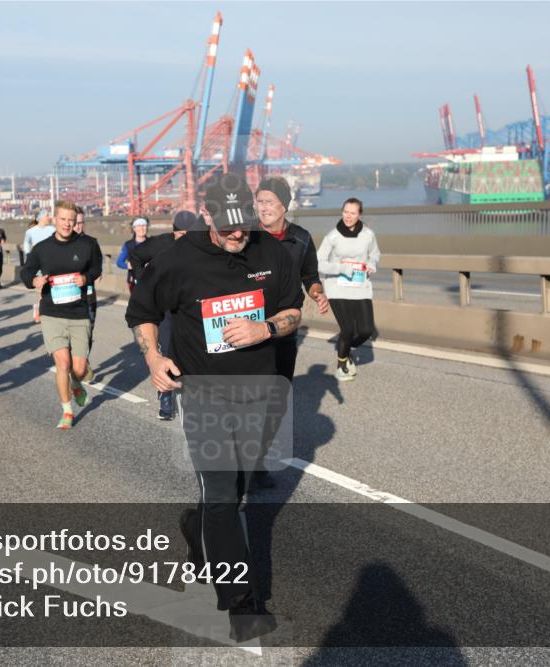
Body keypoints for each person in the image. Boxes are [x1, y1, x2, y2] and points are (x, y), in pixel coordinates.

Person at [125, 173, 302, 642]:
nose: (237, 233)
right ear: (207, 217)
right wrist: (153, 355)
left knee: (238, 491)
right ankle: (242, 605)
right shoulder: (177, 260)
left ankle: (194, 524)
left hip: (259, 392)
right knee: (223, 496)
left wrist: (266, 329)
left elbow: (293, 310)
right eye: (226, 226)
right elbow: (141, 312)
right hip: (202, 393)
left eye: (242, 222)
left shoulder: (271, 253)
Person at [251, 176, 330, 489]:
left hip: (283, 330)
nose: (264, 208)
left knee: (277, 401)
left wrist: (317, 293)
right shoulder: (248, 236)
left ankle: (256, 460)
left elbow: (310, 275)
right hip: (249, 329)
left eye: (270, 202)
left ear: (285, 205)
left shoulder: (301, 239)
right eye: (260, 202)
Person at [19, 200, 102, 429]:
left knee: (79, 368)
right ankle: (67, 411)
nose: (67, 224)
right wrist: (33, 280)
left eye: (71, 221)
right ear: (54, 219)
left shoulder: (88, 244)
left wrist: (86, 278)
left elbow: (97, 268)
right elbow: (25, 272)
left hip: (78, 312)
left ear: (76, 222)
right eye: (63, 219)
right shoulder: (42, 249)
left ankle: (76, 384)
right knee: (62, 364)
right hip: (52, 313)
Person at [128, 210, 197, 420]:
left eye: (190, 235)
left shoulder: (202, 245)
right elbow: (136, 256)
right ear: (174, 233)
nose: (186, 240)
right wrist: (145, 281)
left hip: (192, 306)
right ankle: (166, 397)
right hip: (166, 307)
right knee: (167, 349)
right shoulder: (160, 243)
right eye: (181, 235)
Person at [317, 198, 381, 380]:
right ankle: (341, 363)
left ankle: (345, 348)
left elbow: (375, 254)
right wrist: (342, 268)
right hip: (337, 287)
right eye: (345, 212)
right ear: (341, 212)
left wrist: (371, 264)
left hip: (360, 287)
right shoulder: (332, 236)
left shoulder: (369, 234)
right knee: (347, 330)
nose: (348, 216)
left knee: (366, 330)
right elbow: (319, 263)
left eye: (352, 213)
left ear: (359, 215)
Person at [72, 206, 102, 361]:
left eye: (81, 223)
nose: (78, 226)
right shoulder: (59, 244)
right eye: (75, 222)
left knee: (88, 330)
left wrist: (88, 276)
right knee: (71, 333)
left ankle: (83, 360)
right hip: (67, 296)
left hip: (88, 294)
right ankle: (73, 361)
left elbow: (98, 269)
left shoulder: (92, 243)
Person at [23, 213, 56, 324]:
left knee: (48, 287)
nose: (49, 217)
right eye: (47, 215)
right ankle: (40, 310)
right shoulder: (31, 231)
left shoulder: (52, 229)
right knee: (43, 287)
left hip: (50, 261)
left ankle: (40, 308)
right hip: (37, 262)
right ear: (40, 218)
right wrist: (29, 257)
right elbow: (26, 244)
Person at [115, 217, 149, 291]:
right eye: (138, 226)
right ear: (134, 228)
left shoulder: (153, 243)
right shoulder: (128, 245)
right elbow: (119, 262)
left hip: (149, 279)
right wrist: (128, 265)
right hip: (133, 280)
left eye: (144, 225)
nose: (142, 228)